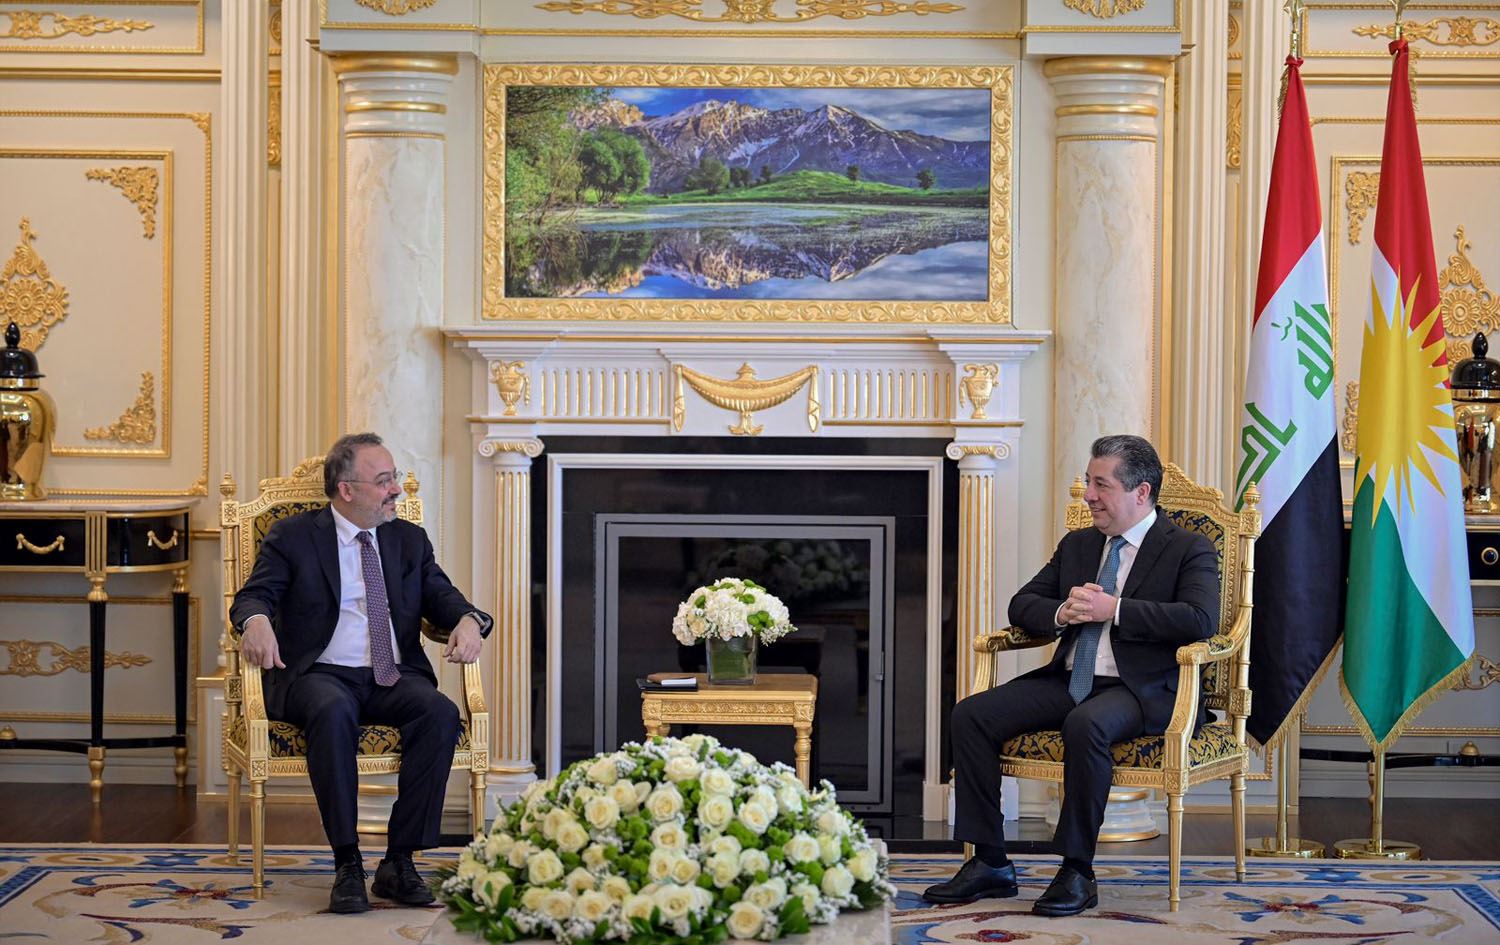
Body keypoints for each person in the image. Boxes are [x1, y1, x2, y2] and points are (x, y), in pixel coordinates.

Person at [924, 435, 1219, 917]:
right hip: (1070, 680)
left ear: (1141, 492)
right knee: (971, 714)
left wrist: (1114, 609)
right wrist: (1063, 612)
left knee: (1086, 725)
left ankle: (1076, 871)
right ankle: (990, 862)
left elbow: (1199, 620)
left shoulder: (1188, 547)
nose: (1089, 496)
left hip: (1141, 688)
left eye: (1101, 485)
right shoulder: (1079, 544)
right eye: (1088, 482)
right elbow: (1022, 604)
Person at [231, 433, 492, 914]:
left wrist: (470, 621)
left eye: (395, 478)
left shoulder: (407, 539)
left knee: (439, 713)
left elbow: (443, 597)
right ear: (346, 489)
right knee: (331, 711)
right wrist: (257, 621)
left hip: (391, 674)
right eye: (384, 481)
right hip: (320, 674)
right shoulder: (293, 537)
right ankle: (347, 862)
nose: (396, 490)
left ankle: (399, 861)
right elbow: (254, 596)